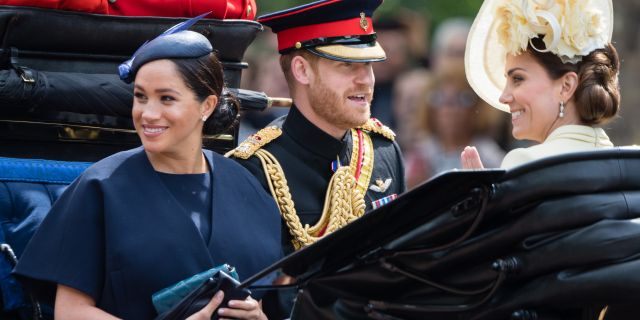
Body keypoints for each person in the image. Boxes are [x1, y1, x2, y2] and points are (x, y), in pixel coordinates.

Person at [13, 18, 282, 320]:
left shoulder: (247, 187)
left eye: (166, 98)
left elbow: (272, 298)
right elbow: (70, 312)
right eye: (140, 97)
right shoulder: (100, 186)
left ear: (206, 106)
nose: (148, 114)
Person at [227, 0, 406, 255]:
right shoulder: (254, 171)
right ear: (302, 71)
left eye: (368, 65)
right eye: (347, 65)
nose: (365, 80)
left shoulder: (383, 151)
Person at [461, 0, 620, 170]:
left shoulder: (525, 162)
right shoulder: (624, 162)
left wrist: (485, 196)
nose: (503, 97)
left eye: (518, 79)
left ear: (566, 86)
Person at [405, 64, 505, 188]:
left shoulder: (488, 154)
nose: (449, 109)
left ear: (477, 107)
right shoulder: (420, 154)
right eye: (439, 98)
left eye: (462, 99)